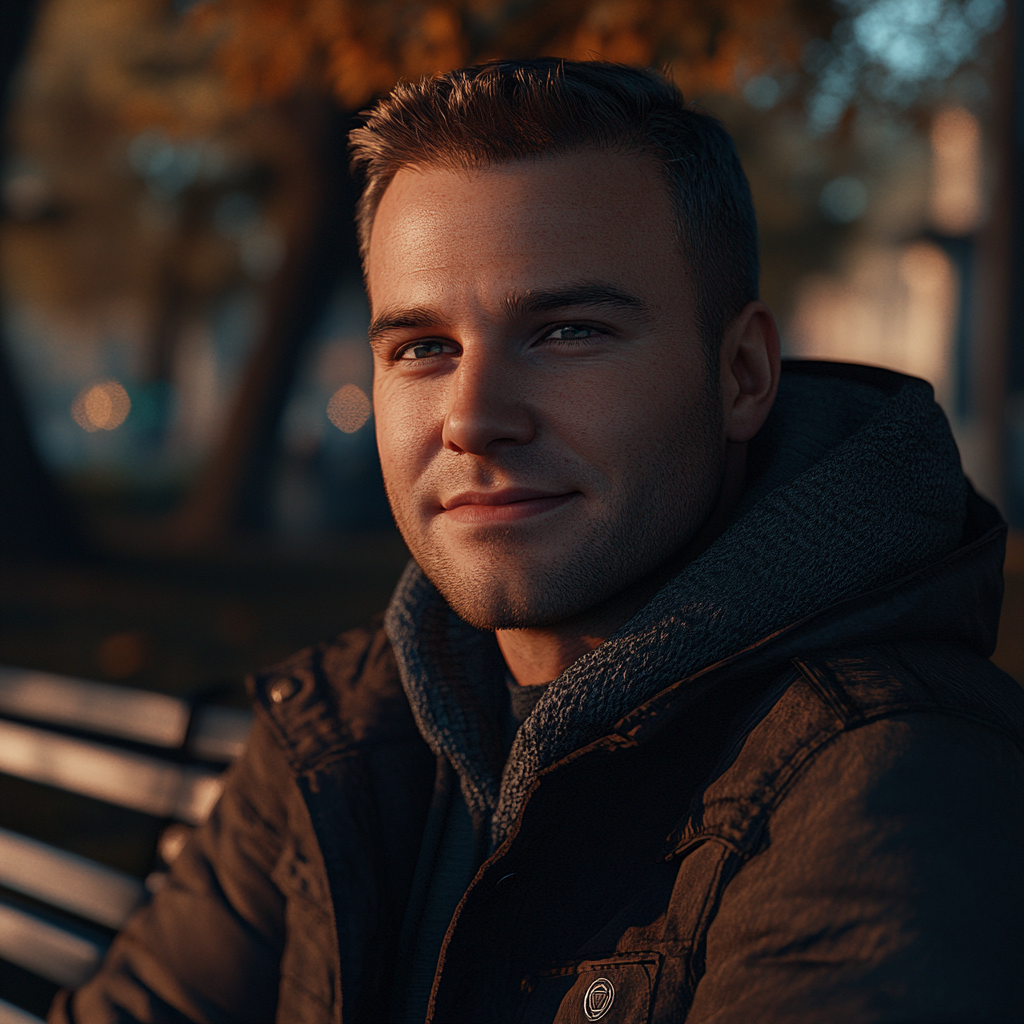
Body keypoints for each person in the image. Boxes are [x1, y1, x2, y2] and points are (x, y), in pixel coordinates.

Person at [54, 59, 1023, 1024]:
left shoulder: (885, 779)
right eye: (423, 348)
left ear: (740, 374)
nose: (472, 417)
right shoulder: (348, 725)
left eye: (566, 332)